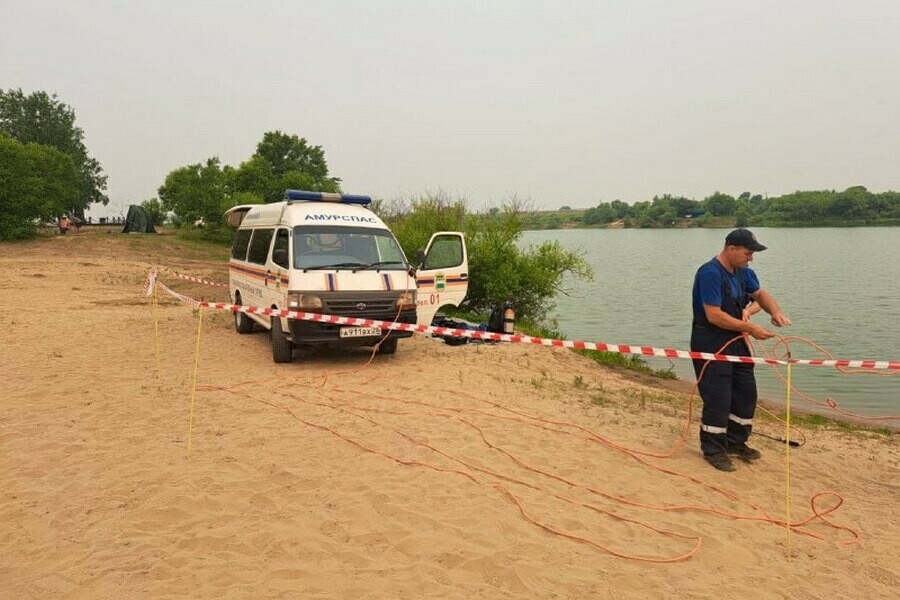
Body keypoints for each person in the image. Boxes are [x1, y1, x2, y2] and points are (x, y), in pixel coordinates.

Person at [691, 228, 791, 472]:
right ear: (731, 248)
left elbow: (760, 294)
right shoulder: (710, 273)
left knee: (746, 394)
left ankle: (736, 442)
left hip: (737, 340)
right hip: (711, 341)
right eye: (747, 253)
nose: (751, 258)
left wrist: (774, 312)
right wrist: (751, 328)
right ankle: (714, 449)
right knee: (718, 398)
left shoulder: (744, 272)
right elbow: (714, 315)